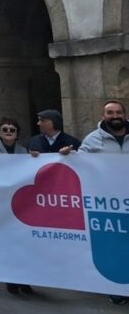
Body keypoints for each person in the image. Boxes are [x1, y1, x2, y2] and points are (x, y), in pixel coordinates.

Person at [78, 101, 129, 305]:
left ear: (125, 114)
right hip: (109, 203)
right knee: (115, 247)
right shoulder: (92, 139)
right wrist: (65, 157)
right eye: (110, 113)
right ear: (103, 115)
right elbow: (79, 164)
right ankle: (118, 288)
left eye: (118, 112)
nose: (114, 116)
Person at [0, 117, 32, 295]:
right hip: (0, 203)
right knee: (8, 242)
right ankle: (11, 277)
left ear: (17, 134)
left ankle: (25, 277)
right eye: (5, 130)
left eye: (12, 130)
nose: (9, 132)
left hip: (21, 203)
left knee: (23, 242)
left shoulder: (24, 151)